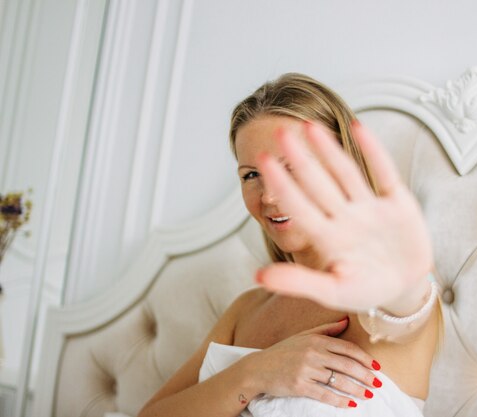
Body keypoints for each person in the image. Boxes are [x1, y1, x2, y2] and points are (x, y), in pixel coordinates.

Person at [137, 73, 442, 417]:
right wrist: (254, 372)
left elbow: (406, 312)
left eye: (291, 168)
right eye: (251, 175)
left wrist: (405, 287)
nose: (268, 196)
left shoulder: (382, 298)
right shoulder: (248, 308)